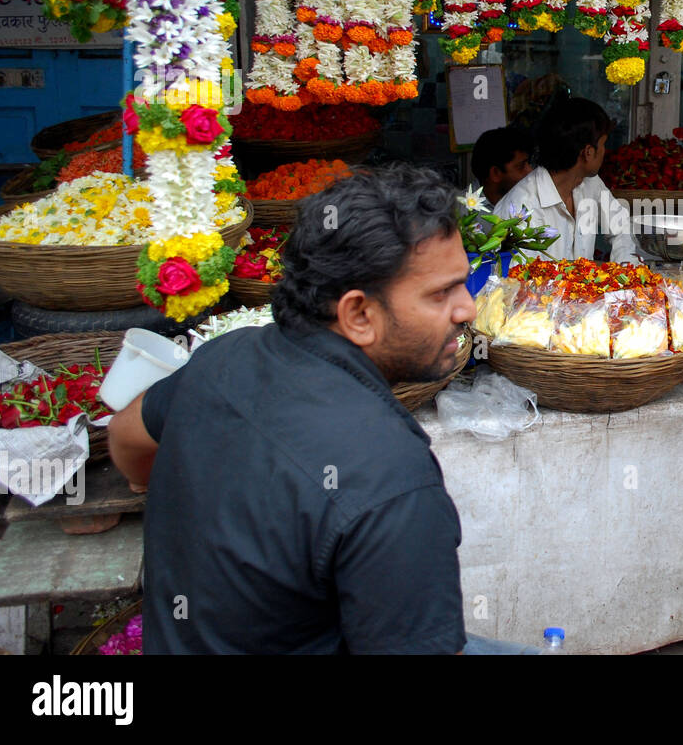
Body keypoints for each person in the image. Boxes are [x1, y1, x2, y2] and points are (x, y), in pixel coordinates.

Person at [108, 166, 480, 654]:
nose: (468, 308)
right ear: (358, 315)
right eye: (442, 293)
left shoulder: (222, 357)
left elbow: (126, 435)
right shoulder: (391, 478)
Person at [497, 96, 638, 264]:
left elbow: (621, 227)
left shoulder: (590, 183)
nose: (604, 151)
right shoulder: (522, 206)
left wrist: (625, 269)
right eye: (602, 144)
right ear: (588, 152)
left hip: (583, 289)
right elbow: (520, 281)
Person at [470, 125, 534, 206]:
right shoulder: (461, 213)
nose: (530, 171)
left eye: (528, 163)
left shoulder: (528, 198)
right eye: (521, 166)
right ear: (495, 173)